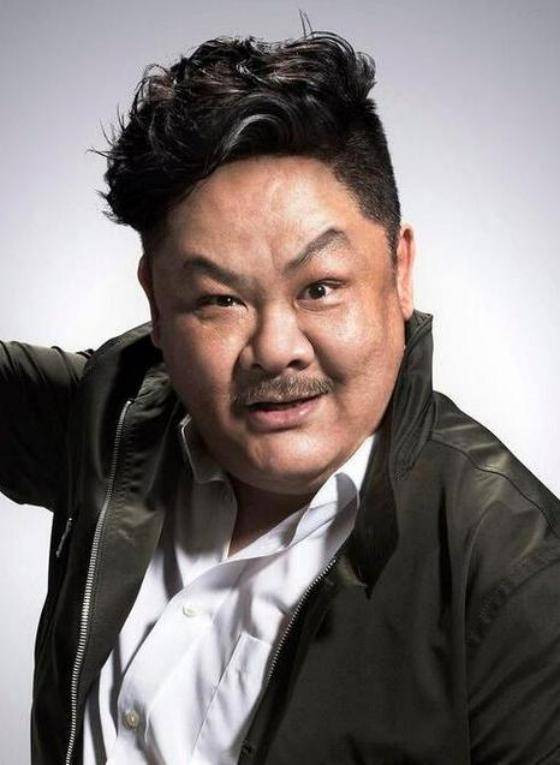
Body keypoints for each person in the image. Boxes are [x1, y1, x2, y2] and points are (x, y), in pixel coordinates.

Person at [1, 26, 560, 765]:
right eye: (220, 299)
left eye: (320, 288)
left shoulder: (515, 569)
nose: (275, 348)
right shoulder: (111, 413)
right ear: (158, 303)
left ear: (399, 273)